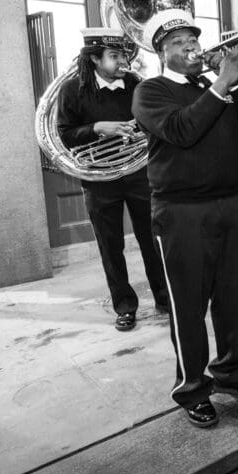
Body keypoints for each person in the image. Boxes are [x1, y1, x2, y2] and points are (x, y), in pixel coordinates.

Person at [132, 11, 238, 429]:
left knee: (231, 297)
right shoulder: (150, 91)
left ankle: (232, 372)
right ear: (160, 52)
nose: (190, 46)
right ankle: (192, 388)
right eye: (178, 42)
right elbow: (183, 130)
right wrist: (222, 83)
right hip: (180, 212)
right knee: (188, 305)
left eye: (193, 38)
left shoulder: (216, 86)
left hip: (229, 202)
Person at [57, 27, 169, 332]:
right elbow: (65, 136)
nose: (122, 61)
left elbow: (154, 122)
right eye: (114, 55)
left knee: (153, 239)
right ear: (95, 58)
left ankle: (164, 297)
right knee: (110, 246)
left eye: (124, 54)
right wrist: (97, 128)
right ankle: (125, 306)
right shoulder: (73, 90)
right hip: (98, 179)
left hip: (139, 174)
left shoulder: (135, 83)